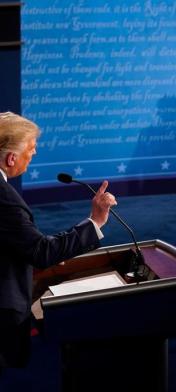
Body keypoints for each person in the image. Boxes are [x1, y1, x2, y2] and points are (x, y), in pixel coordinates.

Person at [0, 112, 117, 371]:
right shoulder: (5, 199)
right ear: (11, 158)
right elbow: (41, 252)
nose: (35, 154)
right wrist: (96, 221)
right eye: (31, 149)